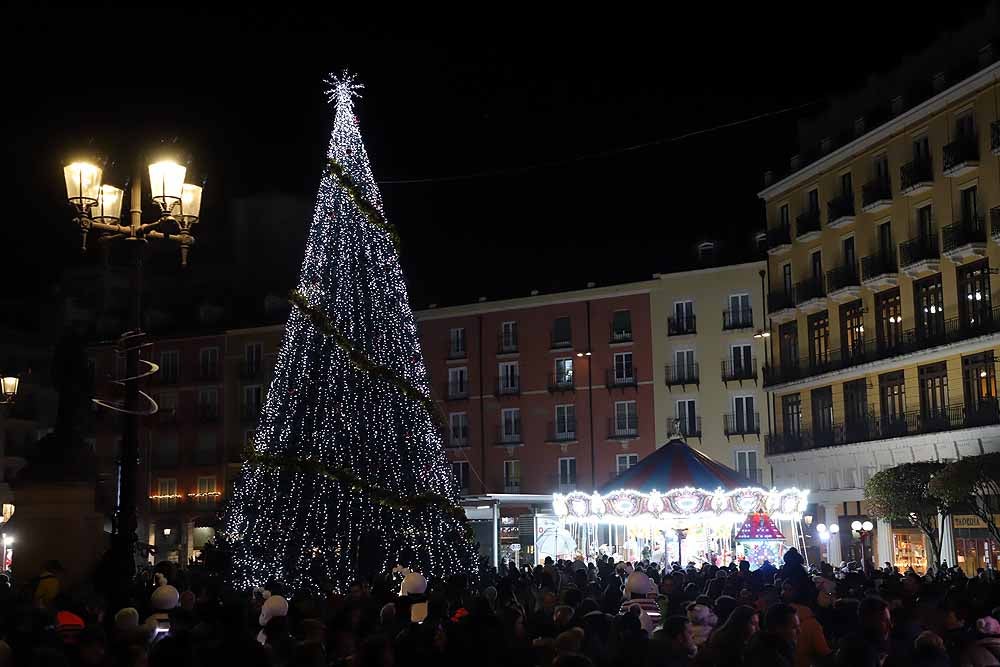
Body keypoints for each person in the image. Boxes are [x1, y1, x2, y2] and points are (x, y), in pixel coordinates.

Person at [744, 603, 799, 667]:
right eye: (794, 627)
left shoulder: (782, 647)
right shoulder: (767, 656)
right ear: (779, 628)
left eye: (798, 626)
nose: (799, 631)